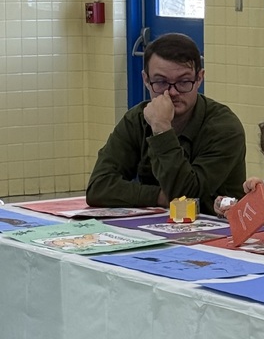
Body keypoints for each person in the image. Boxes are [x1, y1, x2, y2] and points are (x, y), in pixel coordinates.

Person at [86, 33, 246, 215]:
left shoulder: (224, 127)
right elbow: (98, 187)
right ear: (146, 80)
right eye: (161, 82)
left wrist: (161, 129)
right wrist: (161, 196)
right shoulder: (136, 118)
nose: (172, 92)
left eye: (184, 82)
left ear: (199, 78)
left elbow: (186, 195)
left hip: (217, 229)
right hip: (158, 225)